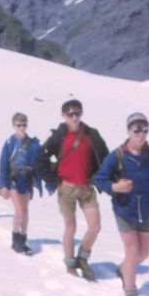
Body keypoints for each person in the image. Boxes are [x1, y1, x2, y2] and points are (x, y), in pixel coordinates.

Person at [93, 113, 149, 296]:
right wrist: (115, 187)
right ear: (128, 131)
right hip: (124, 210)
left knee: (144, 253)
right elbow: (99, 178)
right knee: (133, 251)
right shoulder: (117, 155)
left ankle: (123, 269)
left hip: (145, 211)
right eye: (136, 130)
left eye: (145, 130)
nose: (141, 135)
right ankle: (132, 293)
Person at [35, 98, 109, 280]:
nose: (74, 117)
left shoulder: (92, 134)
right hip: (66, 188)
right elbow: (40, 160)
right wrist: (54, 181)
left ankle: (82, 258)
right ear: (63, 116)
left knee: (95, 226)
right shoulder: (58, 136)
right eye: (70, 114)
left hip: (86, 188)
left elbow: (106, 159)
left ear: (81, 114)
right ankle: (70, 263)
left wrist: (100, 179)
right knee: (70, 227)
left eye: (77, 113)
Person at [0, 112, 42, 255]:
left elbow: (43, 159)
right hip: (14, 180)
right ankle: (15, 238)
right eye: (19, 125)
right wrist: (3, 185)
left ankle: (23, 239)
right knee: (20, 211)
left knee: (25, 211)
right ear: (13, 126)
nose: (22, 128)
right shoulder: (10, 143)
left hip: (27, 180)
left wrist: (55, 161)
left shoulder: (33, 144)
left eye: (24, 125)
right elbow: (3, 164)